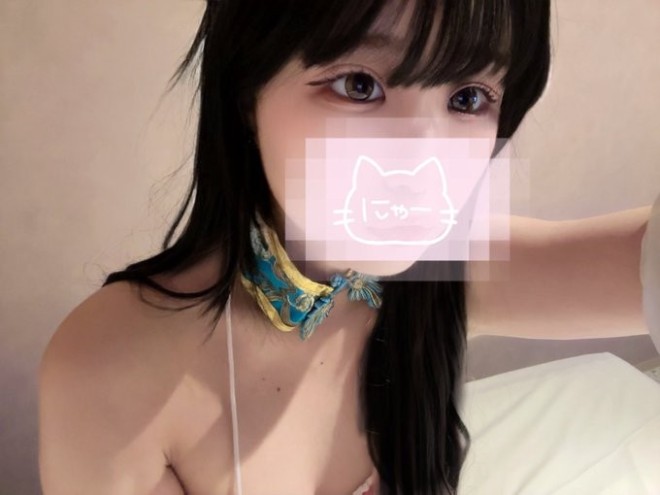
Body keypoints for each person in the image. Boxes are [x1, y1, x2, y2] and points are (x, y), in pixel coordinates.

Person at [38, 0, 654, 494]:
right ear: (246, 92)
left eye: (467, 98)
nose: (422, 161)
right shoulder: (109, 368)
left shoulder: (450, 269)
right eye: (359, 85)